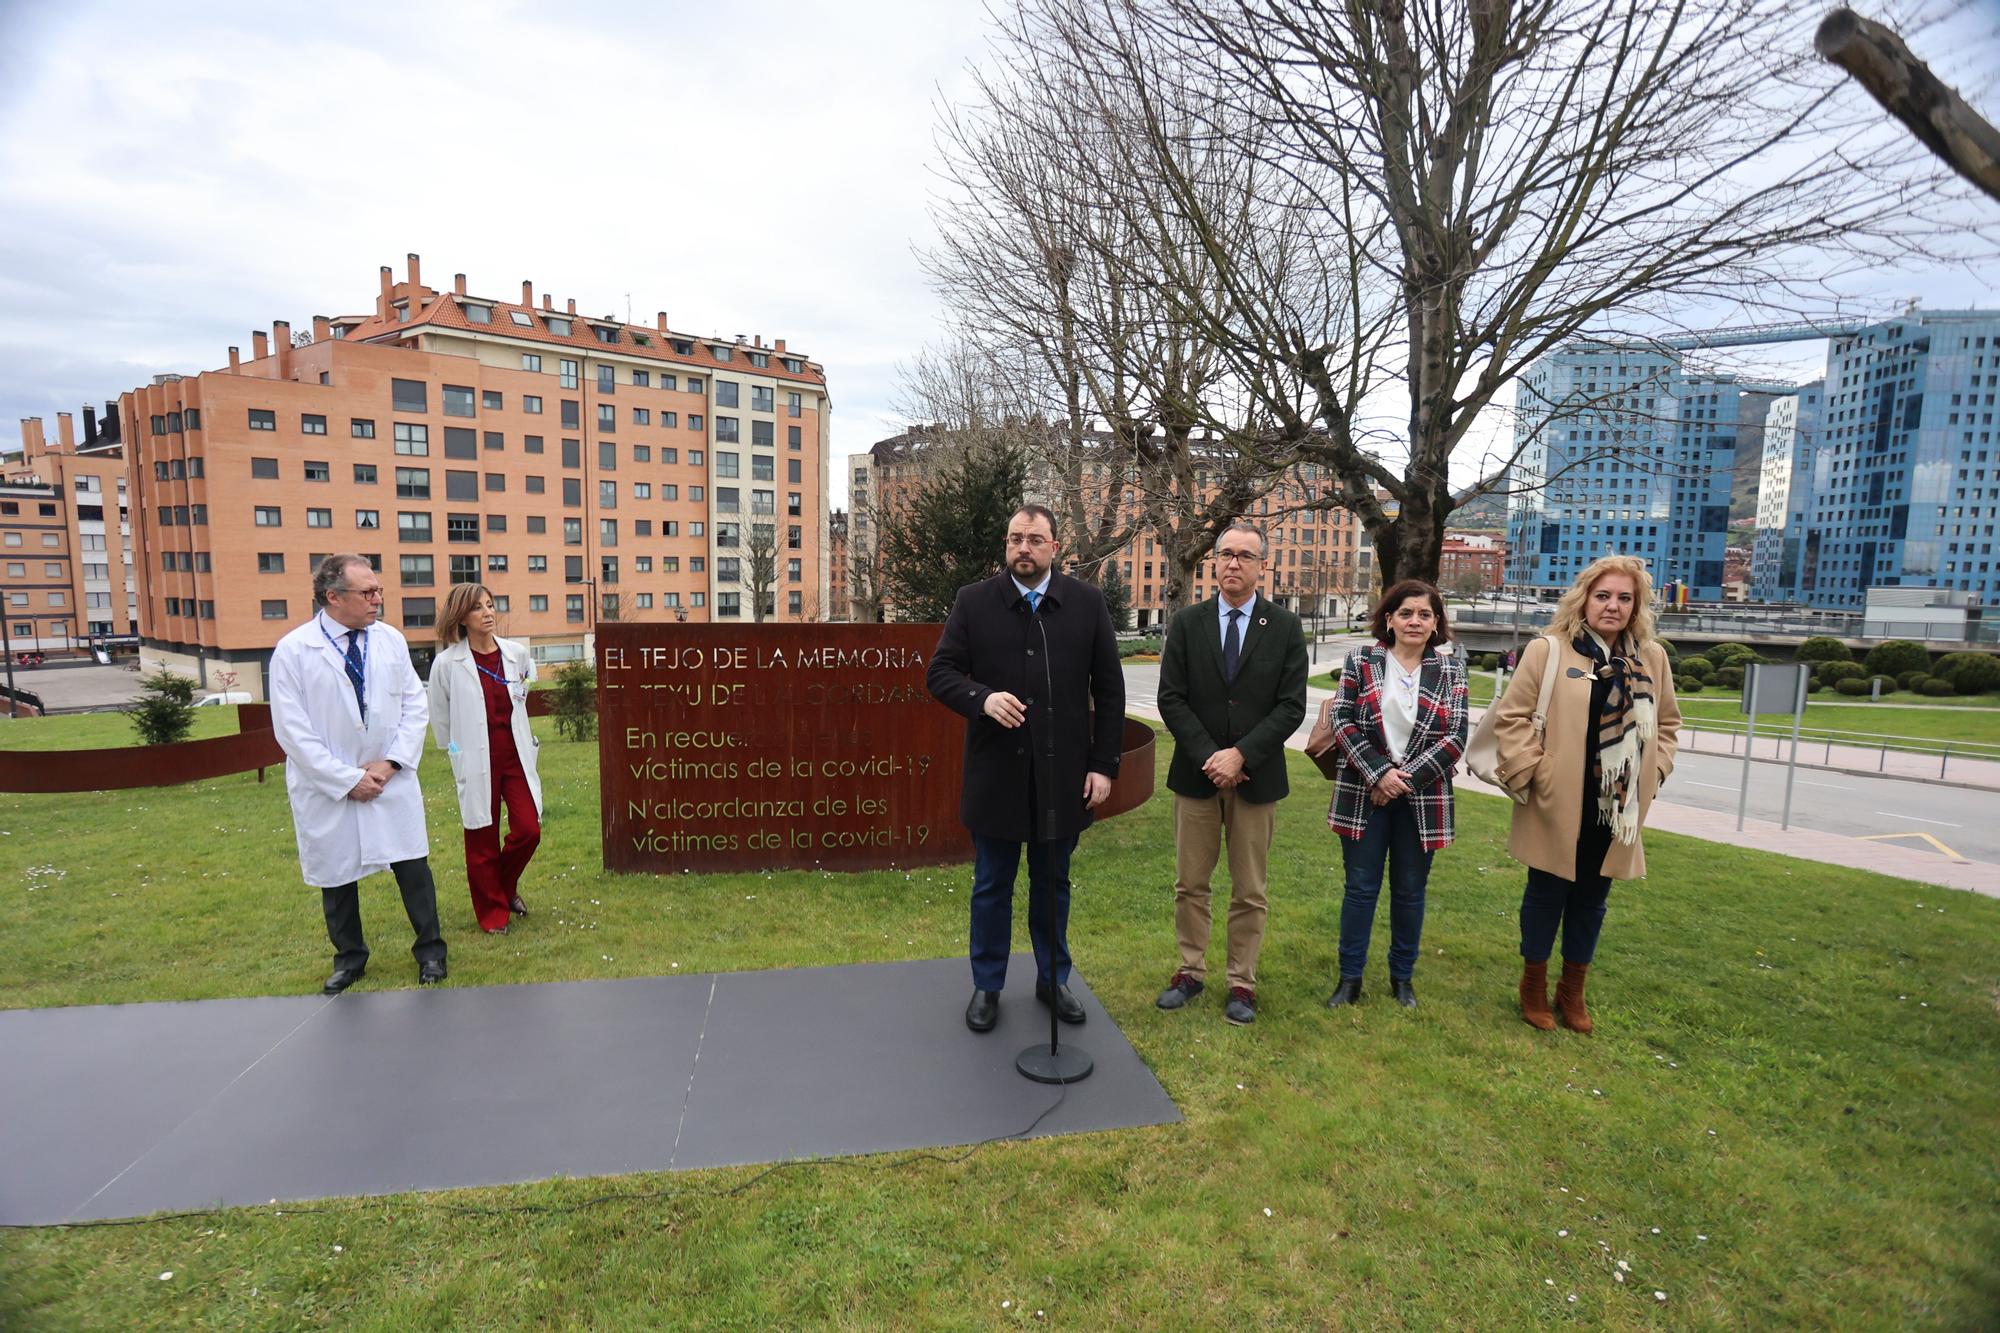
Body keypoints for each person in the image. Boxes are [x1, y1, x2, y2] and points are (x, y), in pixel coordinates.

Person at [927, 504, 1125, 1033]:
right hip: (996, 777)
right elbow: (940, 673)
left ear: (1055, 547)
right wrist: (982, 699)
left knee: (1052, 883)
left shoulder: (1086, 604)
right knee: (992, 885)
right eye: (1016, 538)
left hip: (1063, 779)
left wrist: (1104, 765)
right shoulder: (974, 602)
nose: (1023, 548)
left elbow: (1109, 690)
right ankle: (987, 986)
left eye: (1035, 539)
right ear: (1006, 544)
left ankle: (1052, 979)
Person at [1489, 554, 1681, 1033]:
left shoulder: (1651, 658)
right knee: (1546, 894)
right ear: (1583, 599)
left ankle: (1572, 991)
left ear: (1636, 606)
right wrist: (1537, 772)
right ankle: (1533, 985)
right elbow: (1511, 718)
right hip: (1557, 800)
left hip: (1615, 807)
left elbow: (1670, 724)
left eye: (1623, 598)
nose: (1612, 606)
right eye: (1603, 596)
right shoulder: (1549, 650)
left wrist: (1653, 772)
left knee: (1592, 899)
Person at [1153, 522, 1308, 1026]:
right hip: (1197, 778)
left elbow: (1290, 707)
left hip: (1255, 780)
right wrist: (1211, 757)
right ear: (1214, 563)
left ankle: (1242, 982)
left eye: (1245, 555)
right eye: (1225, 554)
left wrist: (1241, 755)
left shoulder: (1283, 627)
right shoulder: (1188, 623)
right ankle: (1189, 971)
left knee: (1250, 890)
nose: (1233, 564)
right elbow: (1171, 698)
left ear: (1263, 566)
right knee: (1190, 884)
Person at [270, 554, 446, 993]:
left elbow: (414, 705)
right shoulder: (294, 651)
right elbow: (292, 731)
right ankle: (350, 959)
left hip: (391, 777)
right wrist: (346, 779)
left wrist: (389, 765)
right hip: (329, 786)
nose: (377, 599)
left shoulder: (390, 640)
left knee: (413, 868)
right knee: (337, 876)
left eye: (378, 590)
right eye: (367, 593)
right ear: (332, 597)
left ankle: (431, 952)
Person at [1325, 581, 1468, 1010]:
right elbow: (1343, 720)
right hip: (1363, 793)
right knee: (1361, 889)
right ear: (1389, 618)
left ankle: (1401, 978)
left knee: (1409, 891)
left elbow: (1455, 736)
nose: (1415, 621)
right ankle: (1350, 979)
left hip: (1422, 799)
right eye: (1406, 613)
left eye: (1425, 615)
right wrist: (1379, 774)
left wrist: (1402, 780)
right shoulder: (1361, 660)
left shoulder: (1450, 672)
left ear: (1436, 623)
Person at [428, 582, 543, 935]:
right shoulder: (447, 664)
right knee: (481, 838)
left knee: (528, 830)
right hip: (477, 760)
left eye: (491, 605)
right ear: (462, 617)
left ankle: (503, 887)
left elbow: (525, 688)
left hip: (515, 756)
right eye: (478, 608)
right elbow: (442, 724)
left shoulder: (515, 654)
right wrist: (458, 757)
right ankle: (493, 913)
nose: (488, 613)